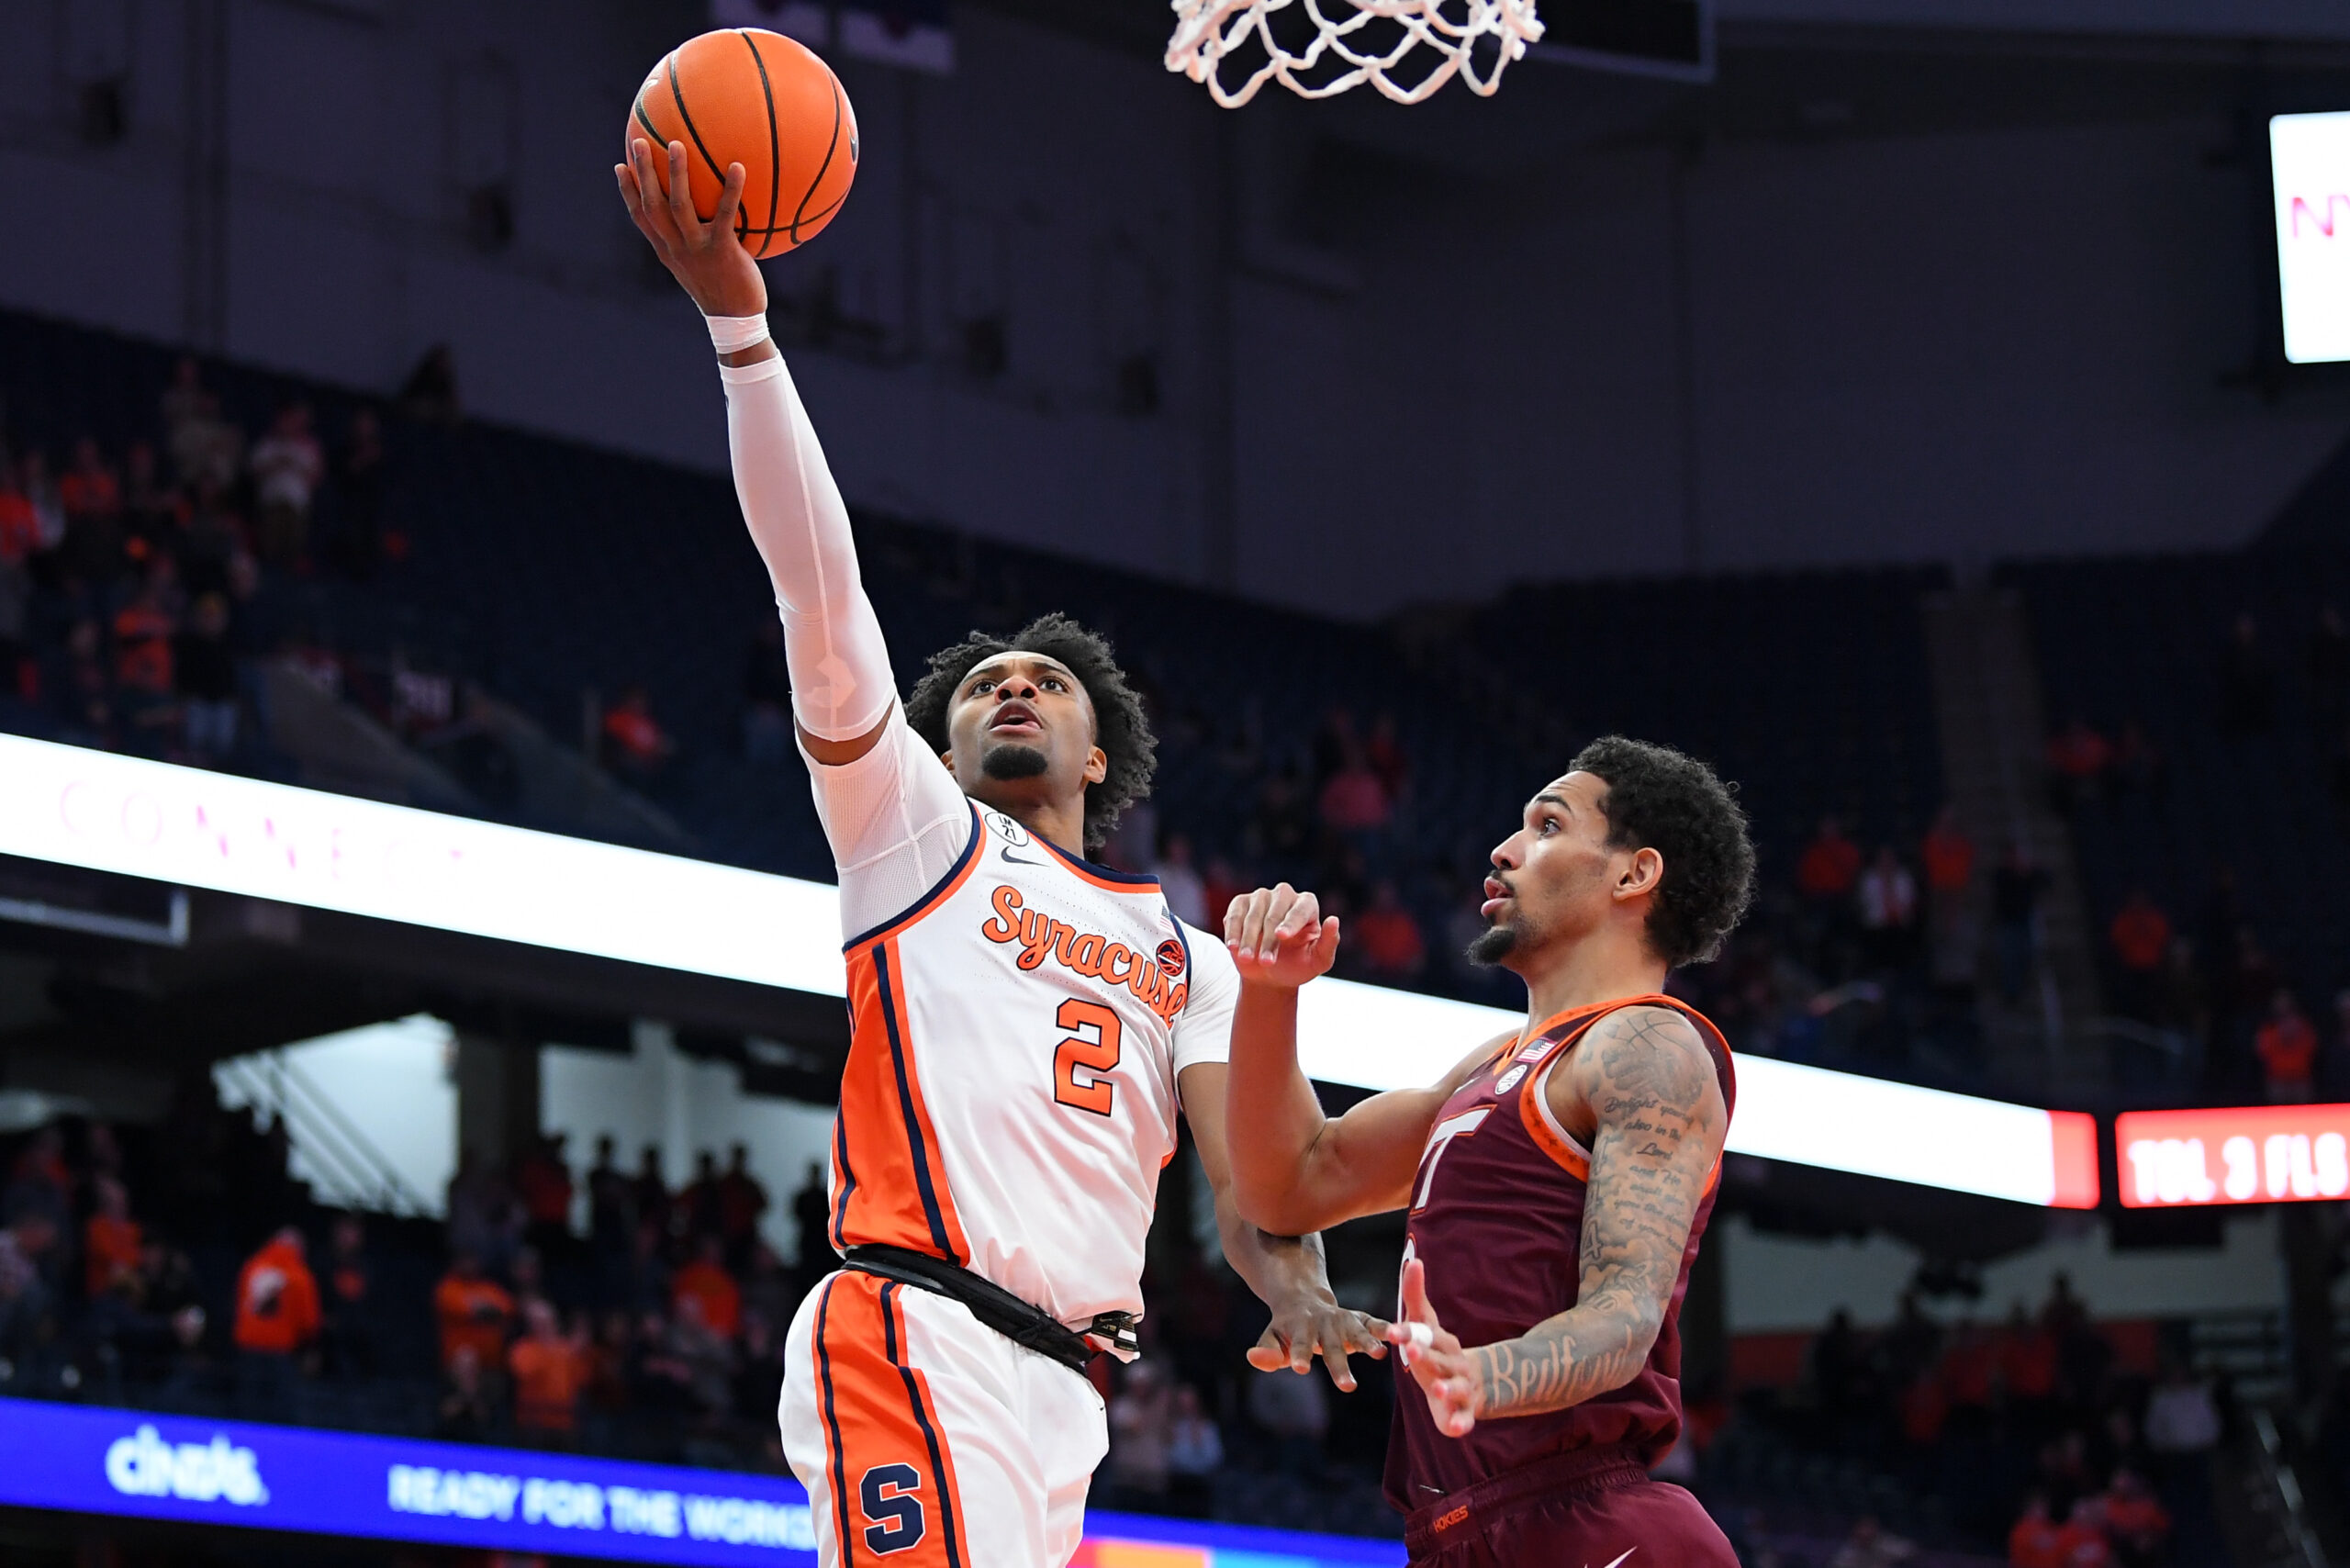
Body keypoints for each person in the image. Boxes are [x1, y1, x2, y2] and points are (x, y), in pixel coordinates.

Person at [617, 133, 1377, 1568]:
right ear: (944, 747)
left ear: (1103, 755)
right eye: (979, 687)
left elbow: (1256, 1185)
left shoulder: (1190, 960)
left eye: (1046, 682)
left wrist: (1299, 1284)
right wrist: (741, 328)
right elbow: (820, 592)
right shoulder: (914, 834)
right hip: (915, 1327)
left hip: (1071, 1395)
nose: (1011, 688)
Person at [1220, 735, 1756, 1566]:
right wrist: (1267, 994)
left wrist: (1485, 1376)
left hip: (1591, 1522)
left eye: (1547, 826)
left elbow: (1625, 1317)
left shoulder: (1649, 1046)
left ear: (1632, 874)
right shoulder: (1492, 1066)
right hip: (1457, 1533)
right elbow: (1291, 1185)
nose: (1503, 852)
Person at [232, 1226, 320, 1416]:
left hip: (248, 1352)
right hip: (281, 1355)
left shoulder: (252, 1266)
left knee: (247, 1409)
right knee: (280, 1412)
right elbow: (309, 1322)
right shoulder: (300, 1276)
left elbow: (240, 1305)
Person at [2255, 989, 2318, 1102]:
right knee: (2276, 1093)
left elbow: (2312, 1049)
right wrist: (2279, 1036)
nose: (2283, 1007)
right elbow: (2262, 1051)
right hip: (2277, 1080)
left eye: (2286, 1004)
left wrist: (2296, 1035)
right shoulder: (2269, 1030)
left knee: (2303, 1094)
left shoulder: (2303, 1027)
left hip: (2301, 1079)